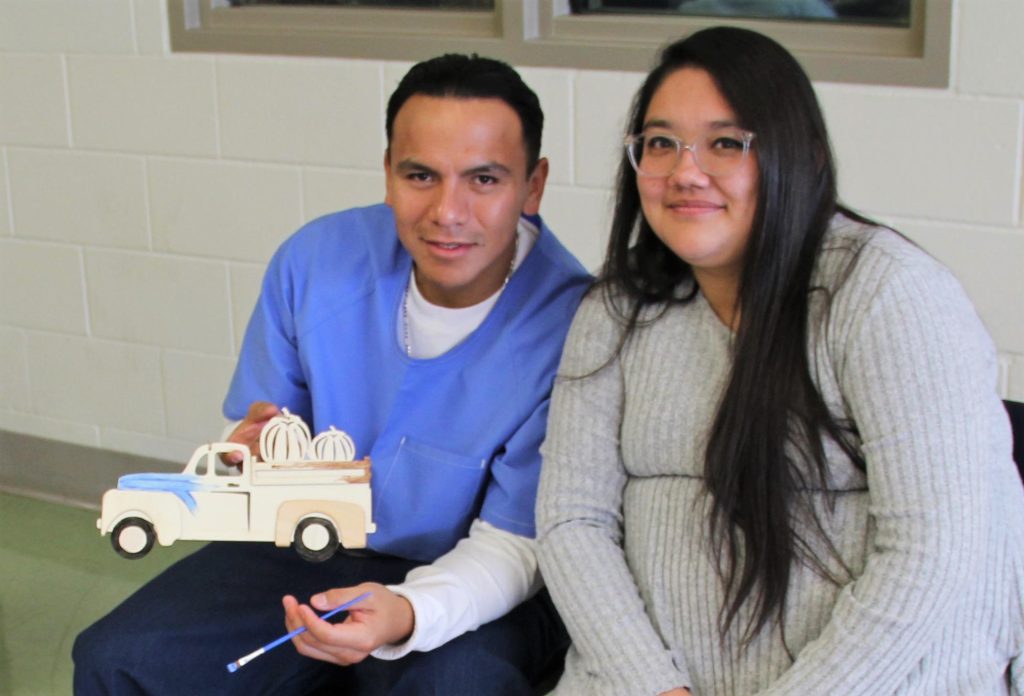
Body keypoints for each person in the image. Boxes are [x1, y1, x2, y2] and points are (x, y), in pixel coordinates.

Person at [73, 53, 591, 695]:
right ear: (387, 173)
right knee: (122, 657)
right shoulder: (316, 261)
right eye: (421, 175)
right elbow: (263, 435)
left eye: (484, 180)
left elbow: (519, 544)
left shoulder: (577, 326)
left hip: (485, 578)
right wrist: (249, 457)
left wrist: (406, 614)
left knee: (451, 688)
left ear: (533, 186)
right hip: (312, 546)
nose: (447, 212)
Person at [536, 26, 1024, 696]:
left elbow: (934, 553)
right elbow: (572, 521)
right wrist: (654, 686)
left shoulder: (887, 293)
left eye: (726, 143)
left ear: (805, 158)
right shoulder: (617, 309)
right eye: (660, 143)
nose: (685, 171)